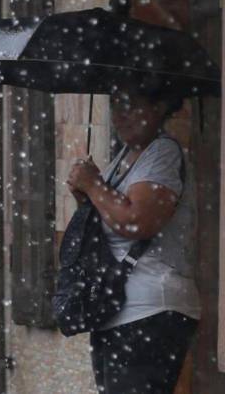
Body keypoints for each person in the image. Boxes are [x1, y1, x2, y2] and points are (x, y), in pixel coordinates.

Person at [66, 90, 201, 394]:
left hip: (150, 309)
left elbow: (137, 220)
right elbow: (107, 229)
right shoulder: (124, 157)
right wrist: (87, 199)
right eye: (115, 104)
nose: (120, 114)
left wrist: (94, 185)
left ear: (160, 105)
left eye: (131, 103)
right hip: (117, 309)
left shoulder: (162, 153)